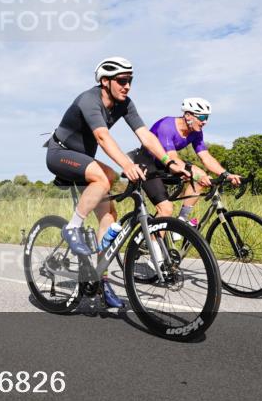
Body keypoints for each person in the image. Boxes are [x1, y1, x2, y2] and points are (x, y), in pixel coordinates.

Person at [45, 57, 190, 309]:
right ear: (105, 81)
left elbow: (145, 135)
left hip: (83, 159)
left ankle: (100, 280)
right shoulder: (89, 100)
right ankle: (72, 228)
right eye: (122, 81)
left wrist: (168, 161)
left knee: (110, 216)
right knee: (105, 176)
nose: (127, 86)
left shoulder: (125, 104)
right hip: (60, 153)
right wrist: (126, 164)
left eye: (130, 81)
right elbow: (102, 136)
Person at [130, 98, 240, 222]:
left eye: (207, 118)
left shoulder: (196, 132)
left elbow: (206, 157)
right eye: (202, 118)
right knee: (166, 209)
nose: (205, 122)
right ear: (188, 115)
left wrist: (226, 174)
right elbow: (172, 158)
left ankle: (182, 221)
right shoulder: (167, 126)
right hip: (148, 164)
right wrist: (195, 175)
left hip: (165, 165)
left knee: (201, 176)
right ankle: (153, 241)